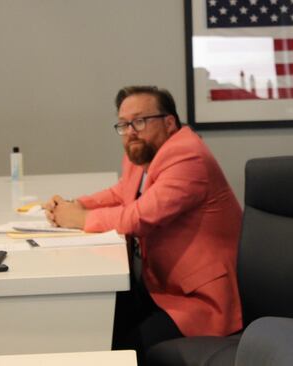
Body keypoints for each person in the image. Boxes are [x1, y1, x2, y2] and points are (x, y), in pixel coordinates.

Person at [43, 86, 243, 363]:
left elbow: (141, 217)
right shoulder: (143, 152)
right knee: (99, 325)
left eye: (139, 121)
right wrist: (73, 205)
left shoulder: (188, 155)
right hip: (159, 286)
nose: (130, 131)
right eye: (123, 124)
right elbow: (121, 193)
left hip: (197, 299)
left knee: (122, 348)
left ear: (169, 122)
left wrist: (81, 219)